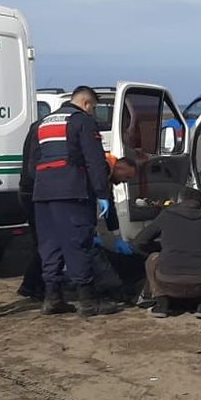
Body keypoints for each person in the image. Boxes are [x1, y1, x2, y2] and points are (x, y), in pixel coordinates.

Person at [31, 86, 122, 317]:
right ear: (86, 104)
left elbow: (32, 163)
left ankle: (52, 297)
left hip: (43, 193)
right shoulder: (82, 121)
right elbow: (94, 160)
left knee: (50, 245)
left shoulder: (42, 123)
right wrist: (102, 193)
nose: (93, 112)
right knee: (78, 243)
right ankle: (87, 301)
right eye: (93, 108)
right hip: (71, 191)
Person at [18, 145, 137, 301]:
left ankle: (31, 286)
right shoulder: (102, 167)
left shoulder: (105, 169)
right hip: (60, 200)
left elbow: (108, 202)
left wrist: (116, 235)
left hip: (48, 197)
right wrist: (93, 230)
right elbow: (96, 198)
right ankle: (97, 291)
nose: (123, 183)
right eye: (126, 177)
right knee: (68, 245)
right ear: (119, 168)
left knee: (52, 244)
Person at [131, 187, 201, 319]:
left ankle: (161, 302)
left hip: (166, 281)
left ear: (179, 201)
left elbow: (139, 242)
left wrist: (161, 251)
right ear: (200, 203)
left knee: (152, 258)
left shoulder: (166, 216)